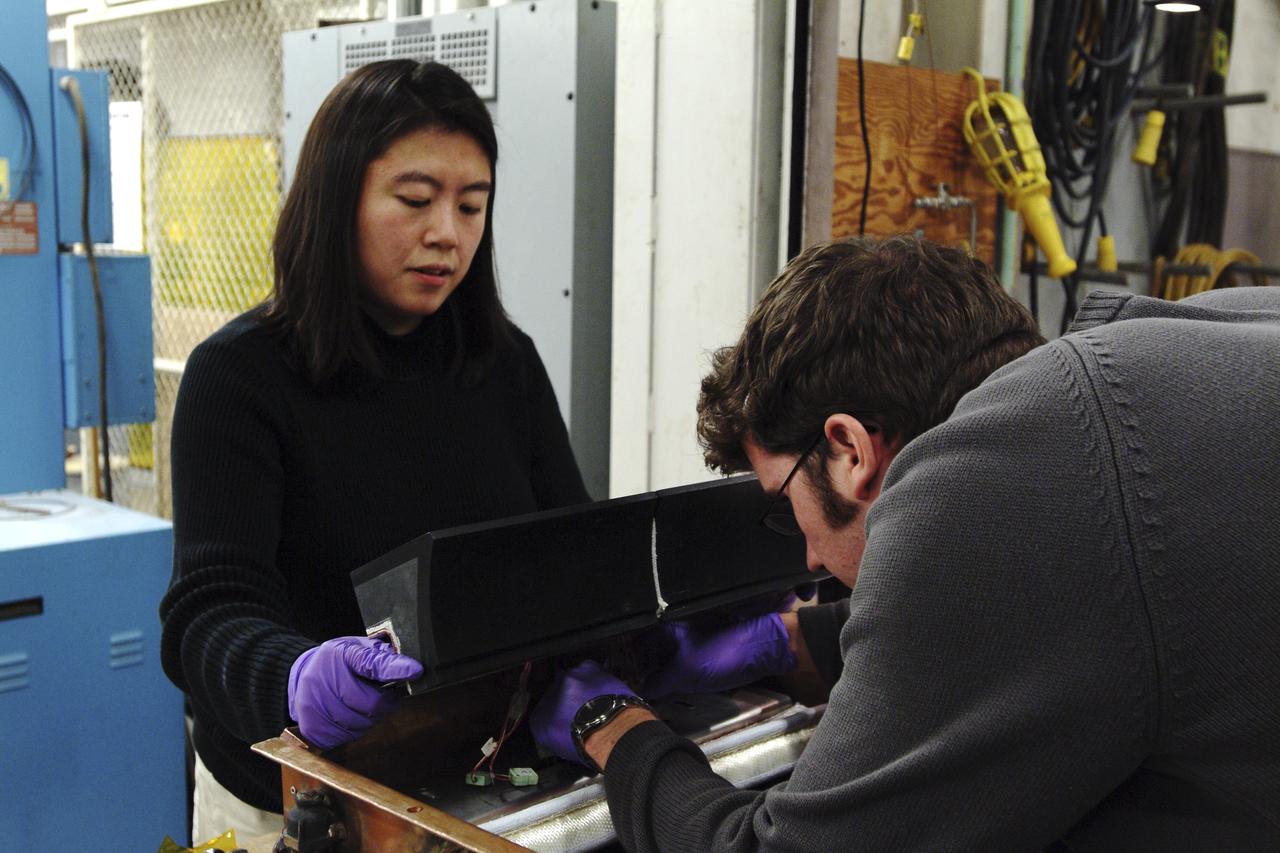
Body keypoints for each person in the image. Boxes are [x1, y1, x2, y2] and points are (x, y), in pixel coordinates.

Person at [530, 235, 1280, 850]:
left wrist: (617, 730)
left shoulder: (988, 489)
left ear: (852, 449)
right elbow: (1047, 625)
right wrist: (789, 639)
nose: (811, 560)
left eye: (789, 514)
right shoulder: (1154, 361)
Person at [159, 60, 589, 842]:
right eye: (416, 200)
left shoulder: (504, 363)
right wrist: (294, 677)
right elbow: (209, 612)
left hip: (470, 783)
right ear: (335, 201)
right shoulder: (241, 378)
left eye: (472, 205)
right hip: (292, 801)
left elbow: (568, 545)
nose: (447, 234)